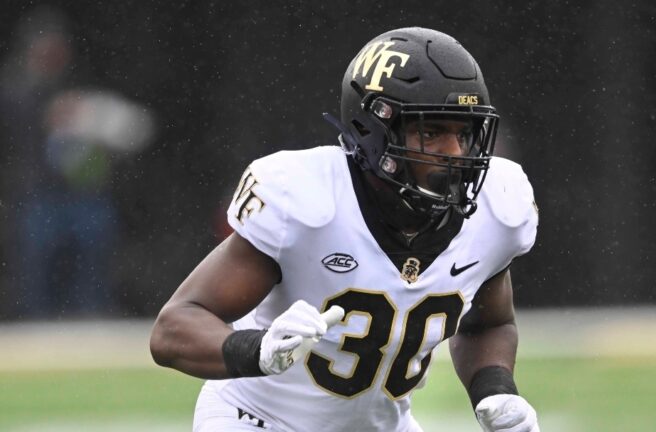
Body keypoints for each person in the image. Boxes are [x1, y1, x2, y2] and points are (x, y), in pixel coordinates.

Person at [150, 27, 540, 432]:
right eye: (431, 132)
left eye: (464, 133)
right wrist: (258, 350)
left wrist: (495, 389)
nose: (455, 154)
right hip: (258, 420)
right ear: (375, 131)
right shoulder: (305, 200)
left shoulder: (497, 208)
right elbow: (174, 327)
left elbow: (489, 323)